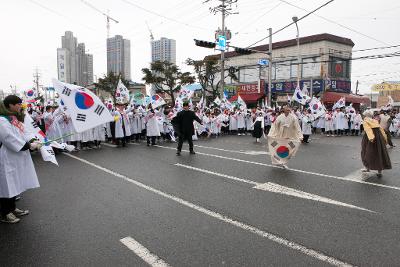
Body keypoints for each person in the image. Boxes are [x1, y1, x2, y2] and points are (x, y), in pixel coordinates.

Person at [0, 95, 41, 224]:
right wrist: (28, 146)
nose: (20, 106)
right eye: (17, 104)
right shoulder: (2, 120)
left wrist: (33, 140)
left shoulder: (13, 119)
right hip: (7, 157)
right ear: (10, 105)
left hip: (16, 156)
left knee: (15, 182)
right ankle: (5, 213)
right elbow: (8, 138)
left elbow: (24, 133)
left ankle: (12, 208)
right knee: (7, 184)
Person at [361, 110, 392, 178]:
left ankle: (367, 168)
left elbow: (368, 129)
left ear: (365, 115)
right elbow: (381, 129)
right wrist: (385, 138)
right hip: (379, 137)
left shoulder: (365, 120)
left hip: (369, 138)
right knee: (379, 153)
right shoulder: (374, 120)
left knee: (366, 152)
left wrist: (371, 138)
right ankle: (379, 171)